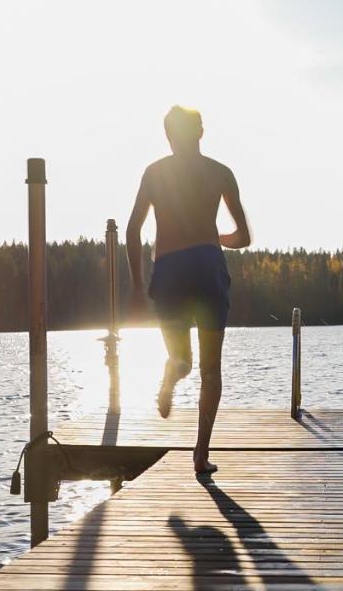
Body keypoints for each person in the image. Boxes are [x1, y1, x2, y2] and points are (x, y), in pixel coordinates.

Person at [127, 105, 250, 476]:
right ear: (201, 131)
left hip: (170, 272)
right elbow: (243, 236)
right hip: (208, 269)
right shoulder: (220, 173)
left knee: (182, 361)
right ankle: (199, 455)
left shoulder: (154, 173)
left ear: (168, 136)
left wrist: (136, 286)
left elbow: (133, 231)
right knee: (211, 370)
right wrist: (213, 238)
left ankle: (170, 376)